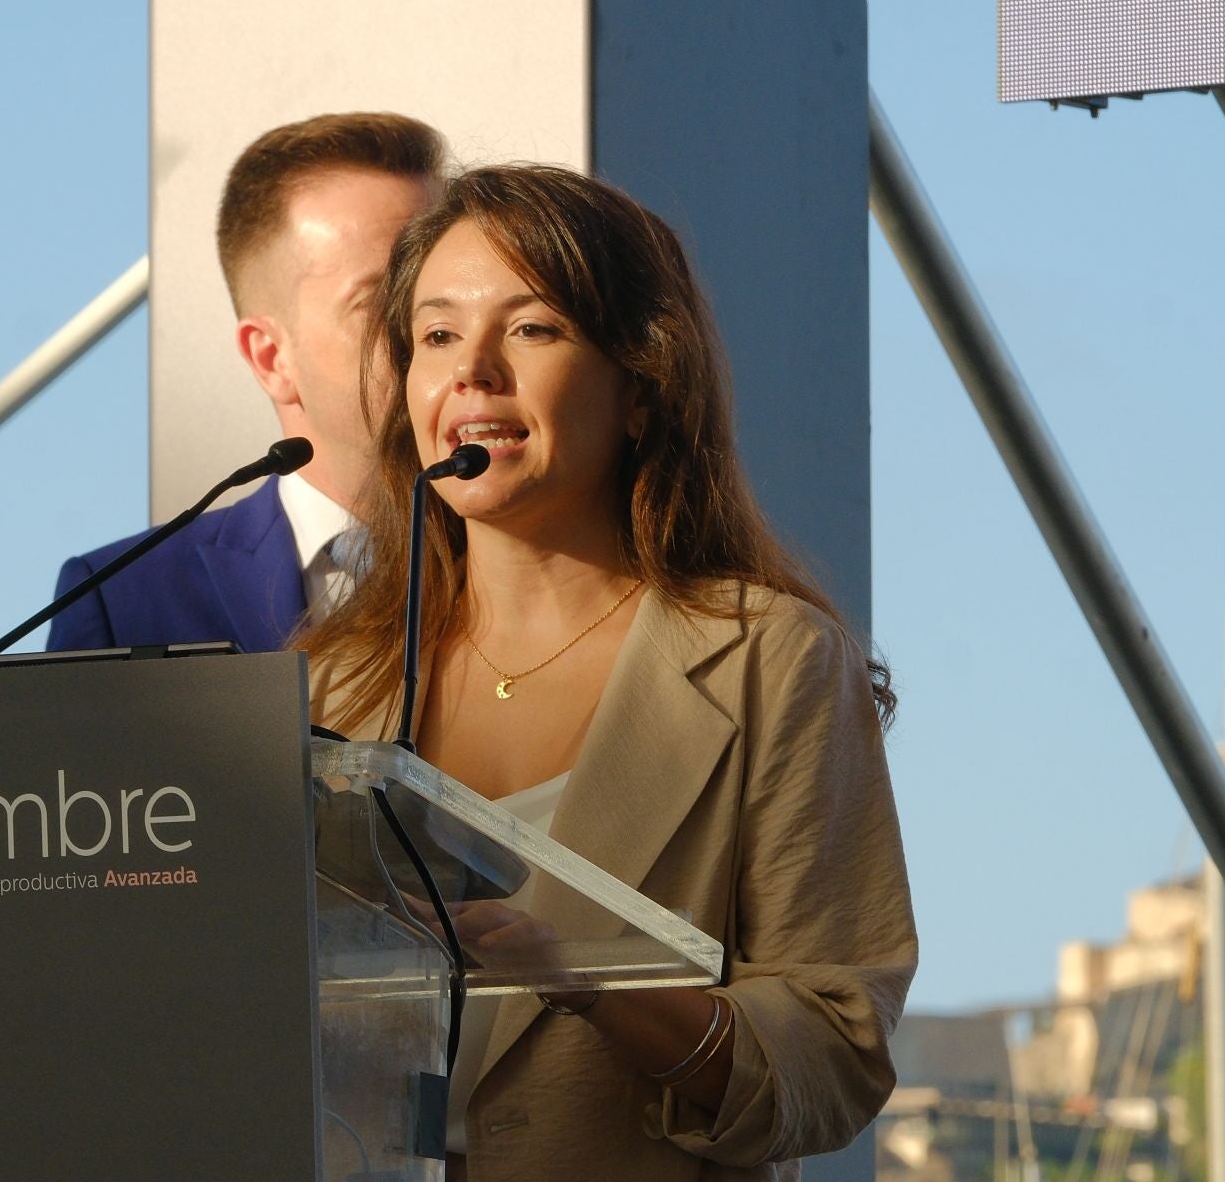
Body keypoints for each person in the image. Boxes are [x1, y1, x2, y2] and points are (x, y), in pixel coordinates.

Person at [300, 165, 916, 1181]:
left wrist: (587, 980)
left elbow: (833, 1051)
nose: (472, 372)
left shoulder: (771, 658)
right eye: (437, 335)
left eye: (532, 328)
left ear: (640, 386)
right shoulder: (329, 684)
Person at [47, 112, 444, 652]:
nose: (430, 325)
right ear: (272, 357)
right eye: (379, 300)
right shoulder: (125, 602)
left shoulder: (545, 559)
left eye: (440, 294)